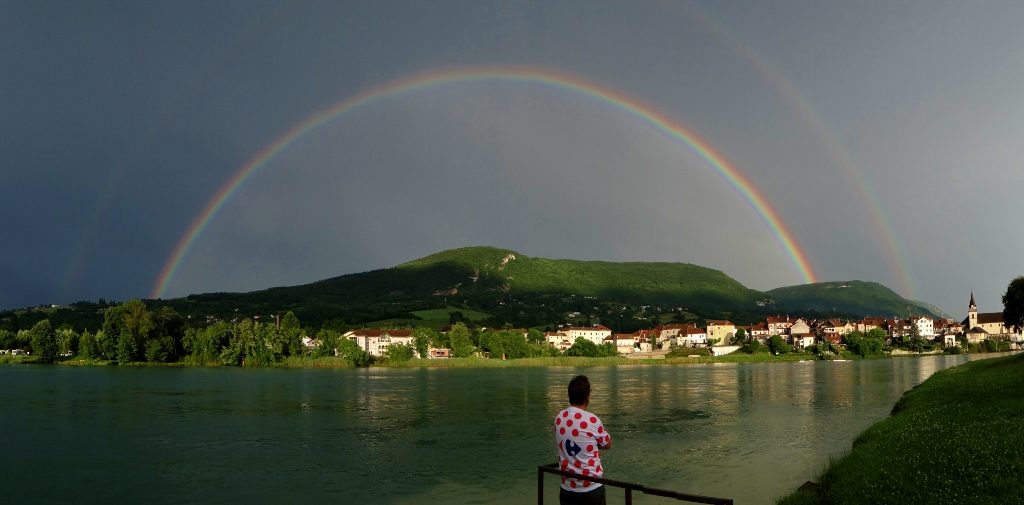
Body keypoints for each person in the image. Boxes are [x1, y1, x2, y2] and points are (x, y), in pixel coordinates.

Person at [553, 375, 613, 505]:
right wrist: (593, 445)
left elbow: (571, 438)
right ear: (587, 397)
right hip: (591, 489)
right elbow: (607, 444)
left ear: (569, 395)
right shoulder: (592, 420)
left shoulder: (559, 418)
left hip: (567, 488)